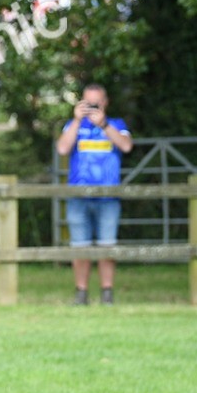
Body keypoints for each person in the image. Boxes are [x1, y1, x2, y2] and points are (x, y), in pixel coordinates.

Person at [55, 84, 134, 305]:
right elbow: (62, 149)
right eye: (87, 103)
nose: (91, 108)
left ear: (105, 102)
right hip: (78, 197)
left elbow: (126, 146)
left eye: (96, 103)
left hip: (108, 198)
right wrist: (78, 121)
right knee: (79, 247)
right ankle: (81, 294)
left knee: (107, 247)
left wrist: (104, 125)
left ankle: (107, 293)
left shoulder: (117, 125)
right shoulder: (73, 125)